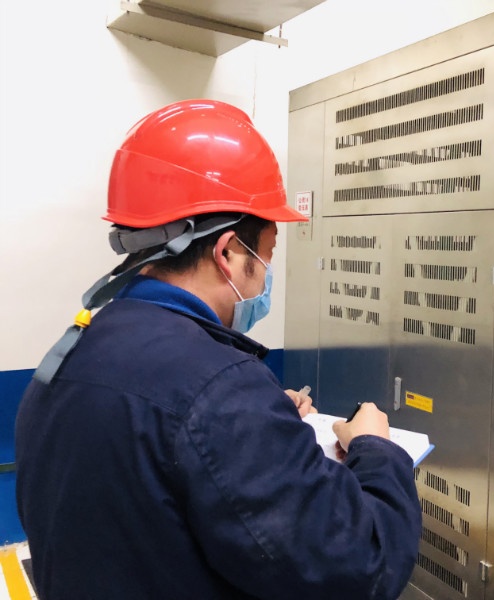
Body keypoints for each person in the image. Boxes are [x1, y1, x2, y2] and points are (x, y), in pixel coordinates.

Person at [15, 99, 421, 600]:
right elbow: (361, 567)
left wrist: (264, 422)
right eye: (266, 254)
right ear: (228, 251)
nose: (266, 276)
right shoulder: (219, 389)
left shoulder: (72, 351)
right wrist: (376, 450)